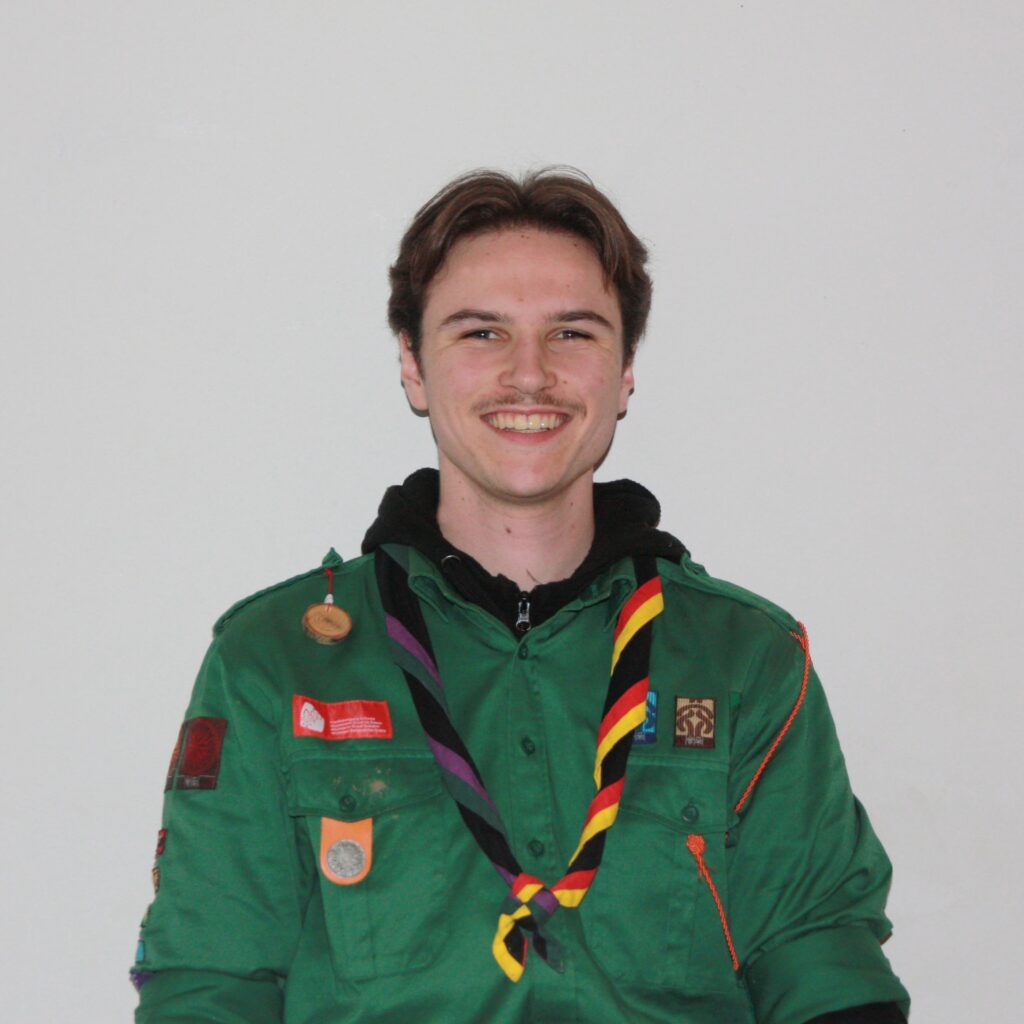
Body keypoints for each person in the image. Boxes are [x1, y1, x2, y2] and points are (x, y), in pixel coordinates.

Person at [131, 169, 910, 1023]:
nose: (529, 375)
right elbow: (210, 989)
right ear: (413, 366)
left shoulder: (744, 660)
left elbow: (824, 969)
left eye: (572, 332)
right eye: (482, 333)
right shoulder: (275, 662)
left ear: (625, 371)